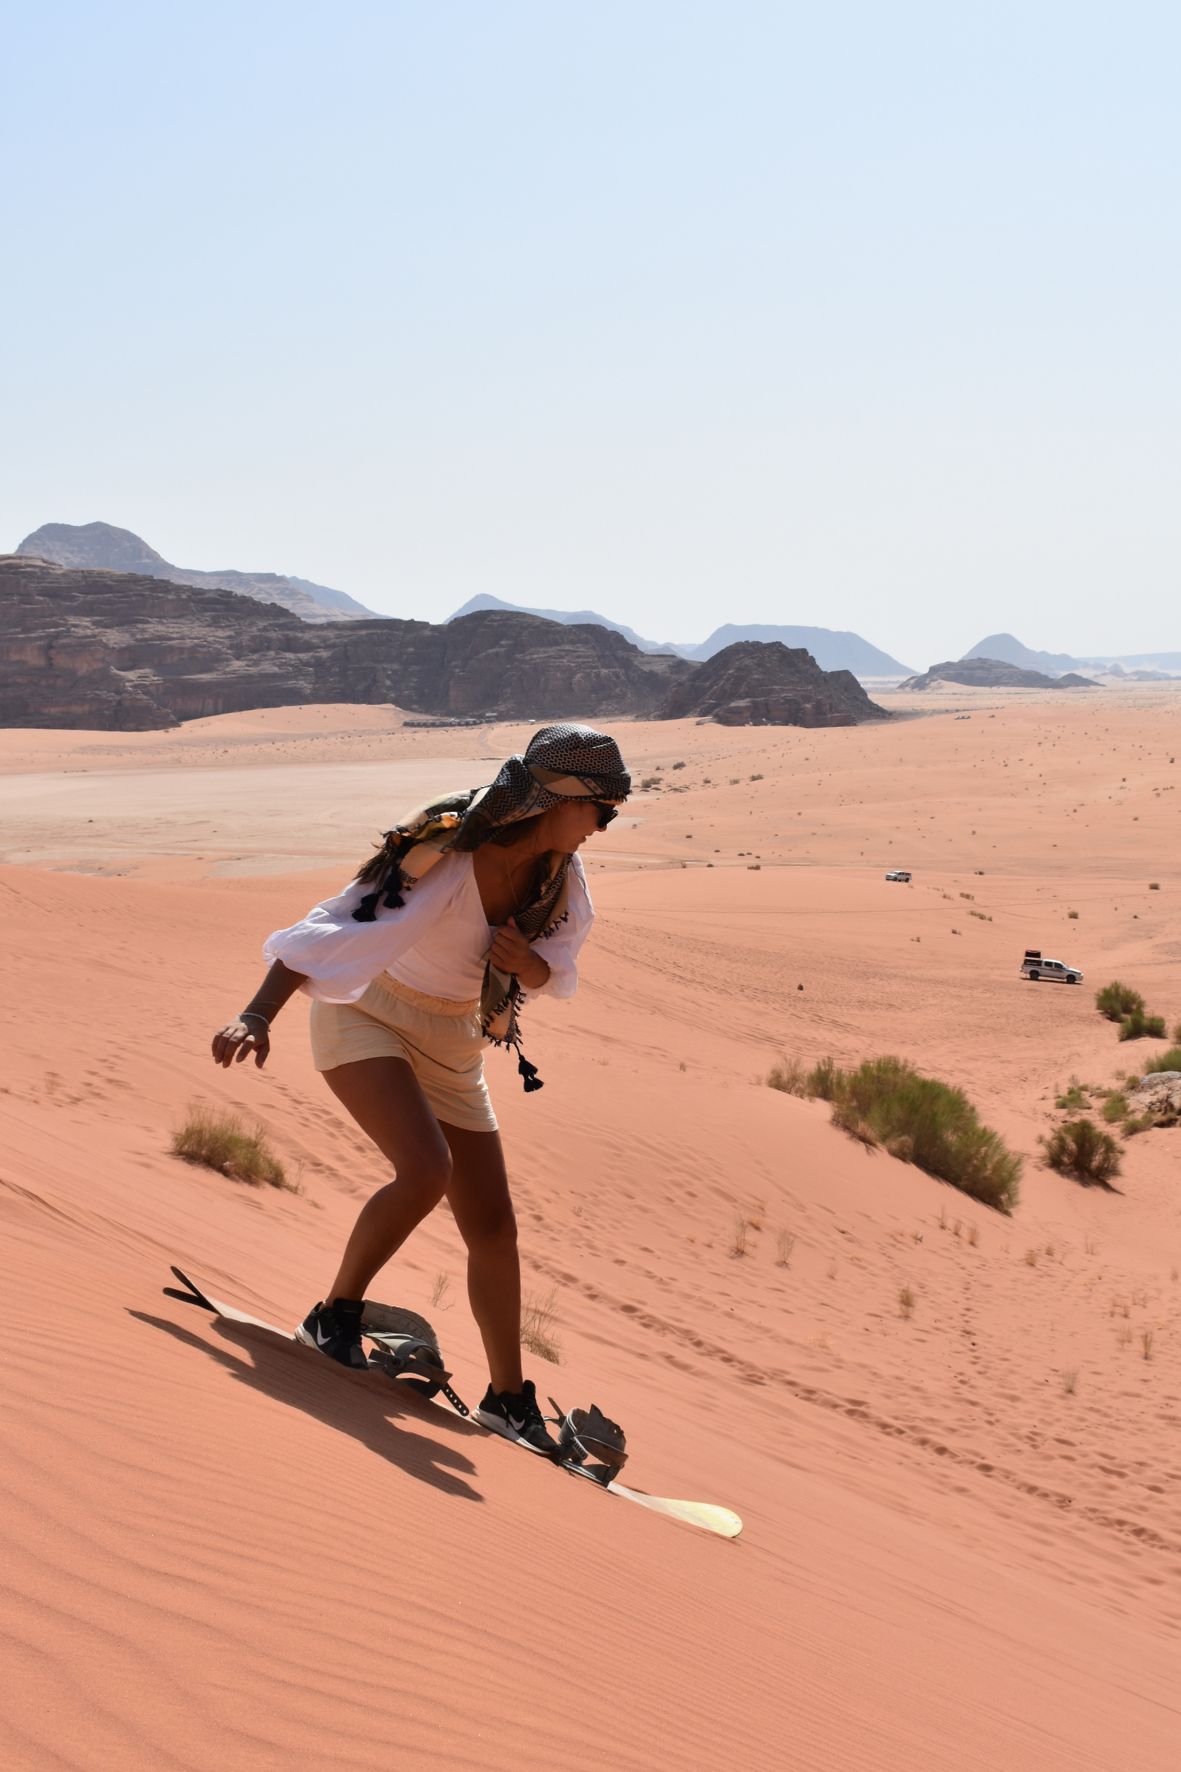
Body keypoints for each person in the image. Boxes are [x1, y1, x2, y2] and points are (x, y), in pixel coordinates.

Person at [210, 723, 630, 1455]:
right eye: (601, 809)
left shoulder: (561, 876)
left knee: (493, 1227)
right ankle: (332, 1316)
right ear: (560, 799)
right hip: (371, 1016)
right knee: (425, 1170)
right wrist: (255, 1014)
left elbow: (553, 974)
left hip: (456, 1044)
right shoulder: (447, 852)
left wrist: (525, 962)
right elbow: (334, 927)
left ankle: (506, 1401)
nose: (604, 825)